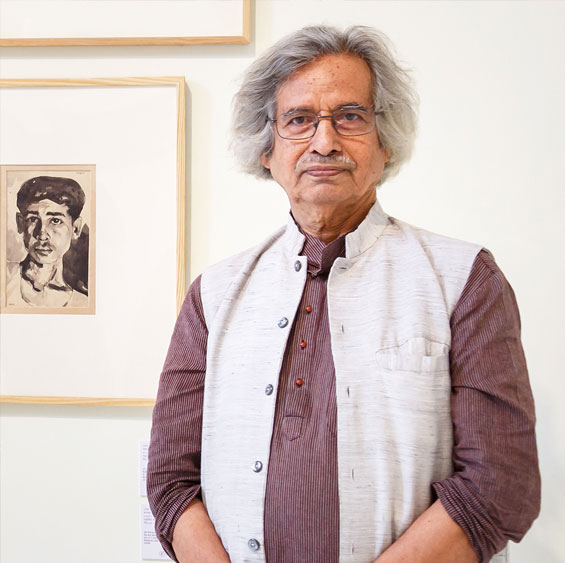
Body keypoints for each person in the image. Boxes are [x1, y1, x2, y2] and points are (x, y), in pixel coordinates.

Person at [147, 25, 540, 563]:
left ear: (385, 141)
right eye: (298, 119)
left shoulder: (465, 279)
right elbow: (170, 482)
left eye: (350, 116)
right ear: (267, 149)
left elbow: (500, 483)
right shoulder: (213, 295)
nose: (325, 141)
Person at [6, 175, 88, 308]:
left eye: (55, 221)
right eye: (33, 219)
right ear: (20, 223)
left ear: (76, 228)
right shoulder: (5, 277)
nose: (42, 235)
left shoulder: (83, 303)